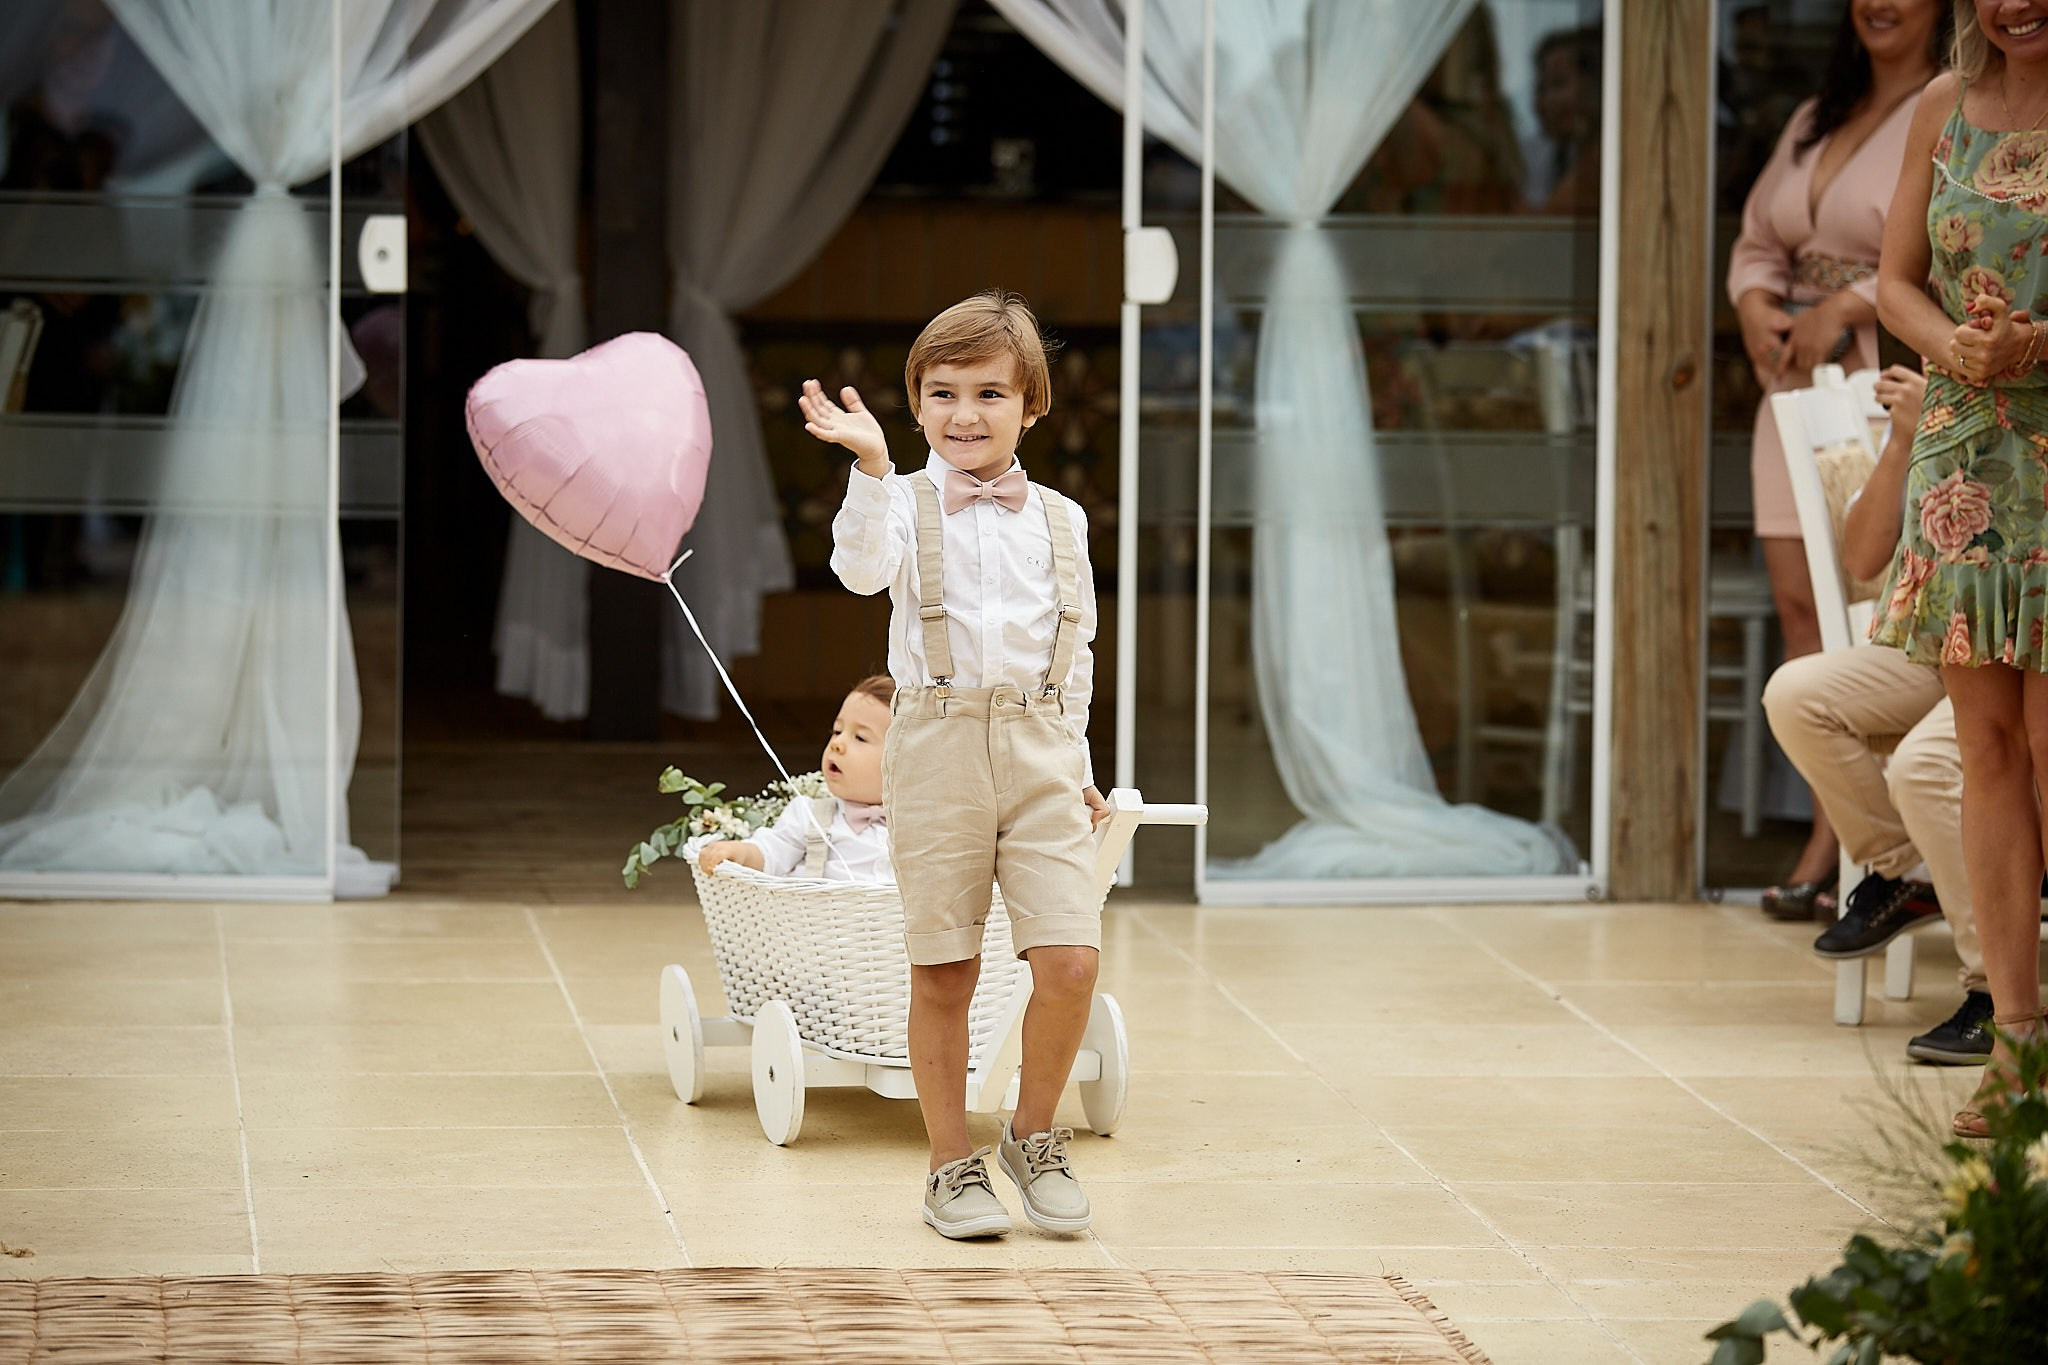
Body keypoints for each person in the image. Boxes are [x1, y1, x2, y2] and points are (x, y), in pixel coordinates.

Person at [803, 290, 1107, 1239]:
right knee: (946, 969)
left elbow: (1079, 646)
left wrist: (1080, 757)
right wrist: (868, 468)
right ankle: (950, 1168)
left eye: (989, 393)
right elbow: (857, 571)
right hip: (934, 745)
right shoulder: (896, 504)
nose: (964, 415)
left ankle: (1032, 1133)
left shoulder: (1062, 518)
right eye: (941, 393)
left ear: (1032, 407)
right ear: (916, 402)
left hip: (1043, 744)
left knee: (1069, 959)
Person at [1727, 0, 1949, 919]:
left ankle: (1876, 845)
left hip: (1881, 384)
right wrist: (1753, 304)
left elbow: (1950, 248)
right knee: (1798, 610)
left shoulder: (1953, 104)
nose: (1880, 2)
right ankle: (1841, 831)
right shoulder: (1818, 114)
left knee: (1871, 613)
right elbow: (1755, 239)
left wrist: (1849, 306)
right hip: (1794, 396)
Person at [1872, 0, 2048, 1137]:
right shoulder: (1940, 103)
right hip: (1962, 461)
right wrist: (1955, 349)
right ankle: (2016, 1045)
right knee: (1983, 750)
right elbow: (1891, 281)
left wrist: (2036, 344)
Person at [1761, 365, 1994, 1065]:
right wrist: (1904, 439)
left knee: (1924, 766)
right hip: (1928, 650)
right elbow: (1863, 557)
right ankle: (1905, 877)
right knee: (1797, 696)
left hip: (2010, 655)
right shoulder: (1929, 414)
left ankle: (1996, 992)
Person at [695, 675, 896, 884]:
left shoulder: (922, 825)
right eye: (837, 731)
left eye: (860, 737)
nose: (837, 743)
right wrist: (739, 852)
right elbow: (771, 853)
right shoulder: (809, 815)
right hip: (821, 914)